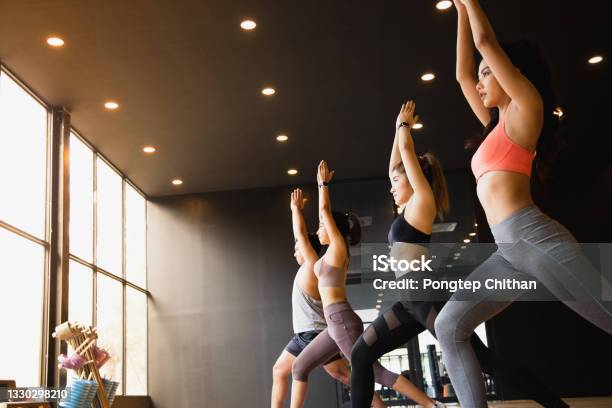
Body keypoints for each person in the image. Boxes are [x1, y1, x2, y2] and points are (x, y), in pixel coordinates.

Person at [434, 1, 612, 407]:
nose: (478, 83)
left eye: (487, 72)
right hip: (509, 254)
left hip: (536, 241)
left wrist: (470, 2)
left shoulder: (525, 110)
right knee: (450, 326)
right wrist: (459, 11)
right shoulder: (494, 126)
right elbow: (461, 74)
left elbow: (485, 40)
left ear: (511, 73)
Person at [351, 101, 568, 408]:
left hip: (426, 298)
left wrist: (402, 128)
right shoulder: (407, 210)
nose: (391, 187)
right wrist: (396, 135)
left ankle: (557, 405)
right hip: (407, 303)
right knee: (360, 354)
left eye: (398, 181)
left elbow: (405, 155)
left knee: (486, 361)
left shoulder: (422, 202)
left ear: (415, 181)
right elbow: (394, 167)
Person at [290, 161, 441, 408]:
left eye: (321, 226)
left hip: (342, 321)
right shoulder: (322, 257)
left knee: (377, 373)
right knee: (299, 366)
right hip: (333, 324)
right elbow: (305, 234)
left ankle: (431, 404)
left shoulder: (338, 250)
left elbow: (325, 210)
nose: (318, 230)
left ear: (333, 229)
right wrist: (295, 210)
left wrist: (323, 185)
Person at [272, 188, 375, 407]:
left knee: (351, 374)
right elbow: (300, 236)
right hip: (308, 333)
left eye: (297, 247)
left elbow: (301, 233)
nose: (295, 251)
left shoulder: (312, 265)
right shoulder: (311, 267)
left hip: (314, 332)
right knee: (285, 370)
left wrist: (295, 210)